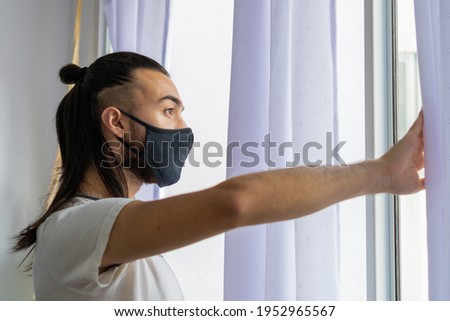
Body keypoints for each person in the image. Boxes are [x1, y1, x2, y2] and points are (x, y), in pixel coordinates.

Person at [13, 52, 425, 300]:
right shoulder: (73, 227)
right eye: (169, 110)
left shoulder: (102, 230)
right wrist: (382, 174)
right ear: (117, 123)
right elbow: (236, 202)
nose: (183, 129)